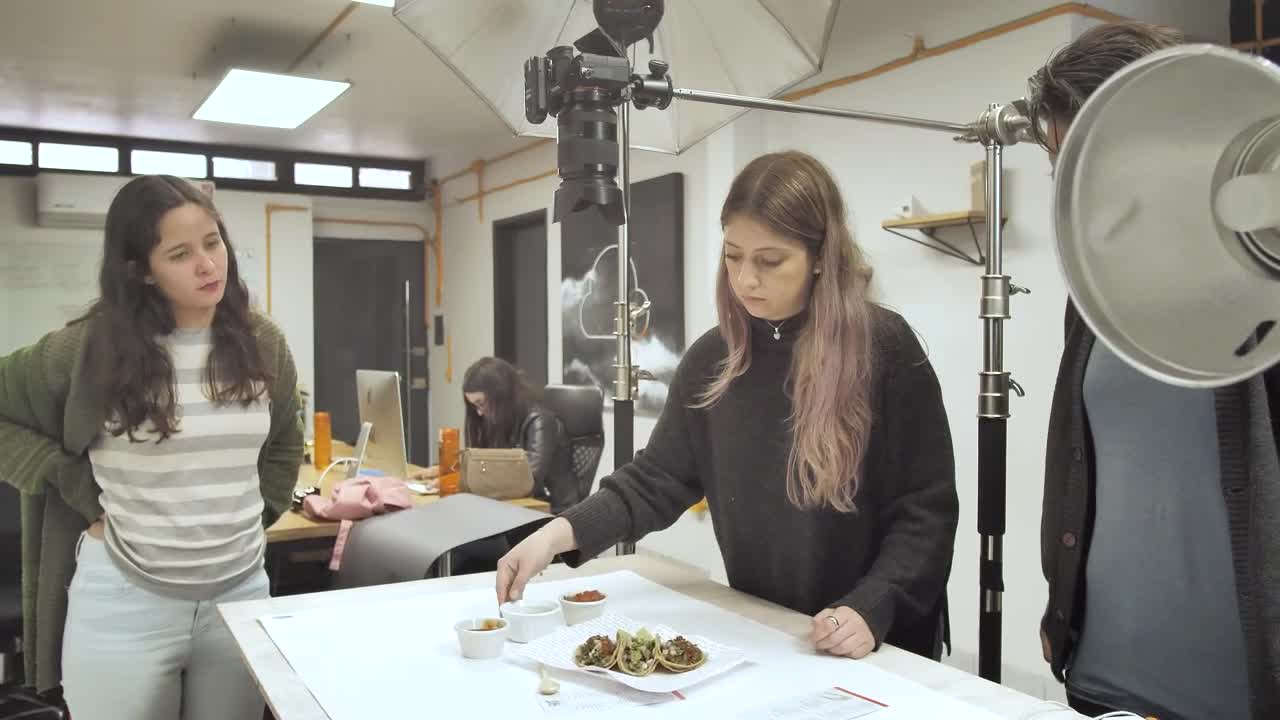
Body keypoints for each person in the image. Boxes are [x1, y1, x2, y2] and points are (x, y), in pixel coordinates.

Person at [496, 150, 959, 660]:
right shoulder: (713, 359)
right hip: (769, 632)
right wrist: (556, 535)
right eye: (733, 256)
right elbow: (655, 480)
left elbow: (925, 513)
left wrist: (872, 606)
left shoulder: (885, 350)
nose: (746, 280)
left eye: (770, 260)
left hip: (879, 643)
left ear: (821, 256)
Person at [1029, 22, 1280, 720]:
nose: (1079, 186)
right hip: (1105, 679)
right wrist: (1062, 601)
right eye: (1063, 163)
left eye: (1100, 152)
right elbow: (1077, 462)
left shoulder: (1264, 295)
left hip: (1236, 694)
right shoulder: (1096, 297)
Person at [0, 175, 303, 719]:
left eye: (213, 243)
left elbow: (283, 443)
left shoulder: (264, 343)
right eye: (180, 254)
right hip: (125, 599)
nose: (208, 265)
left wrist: (262, 513)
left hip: (238, 597)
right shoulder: (89, 349)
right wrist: (71, 484)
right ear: (141, 270)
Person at [414, 357, 578, 513]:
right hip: (515, 506)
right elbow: (488, 464)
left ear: (500, 396)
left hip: (549, 510)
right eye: (474, 406)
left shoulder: (539, 420)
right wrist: (450, 470)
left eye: (480, 403)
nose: (479, 412)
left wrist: (457, 481)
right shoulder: (500, 419)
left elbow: (528, 480)